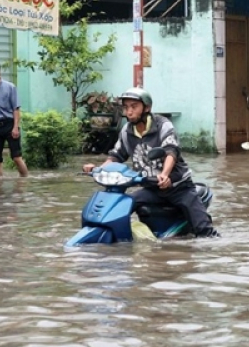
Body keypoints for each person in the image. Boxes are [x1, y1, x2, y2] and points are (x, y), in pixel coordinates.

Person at [82, 87, 219, 238]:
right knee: (125, 202)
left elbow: (171, 151)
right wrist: (98, 169)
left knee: (205, 232)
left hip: (178, 187)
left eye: (134, 107)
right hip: (151, 188)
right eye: (126, 107)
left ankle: (208, 236)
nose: (129, 112)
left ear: (147, 107)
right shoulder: (126, 131)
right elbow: (116, 156)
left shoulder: (163, 125)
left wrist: (165, 175)